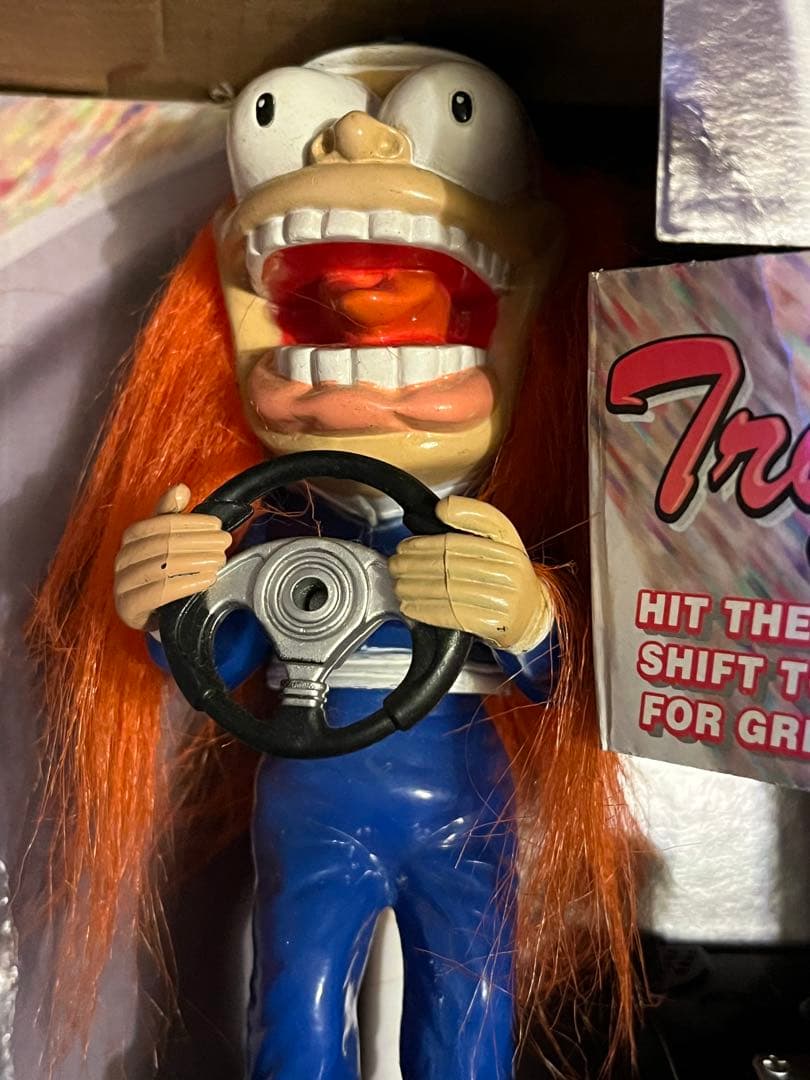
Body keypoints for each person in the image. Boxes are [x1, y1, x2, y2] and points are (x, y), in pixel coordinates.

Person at [29, 43, 644, 1079]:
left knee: (470, 1015)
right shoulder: (277, 531)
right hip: (316, 799)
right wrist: (170, 601)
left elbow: (580, 686)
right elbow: (217, 664)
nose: (358, 138)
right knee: (298, 1012)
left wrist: (526, 616)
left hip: (466, 800)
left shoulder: (504, 528)